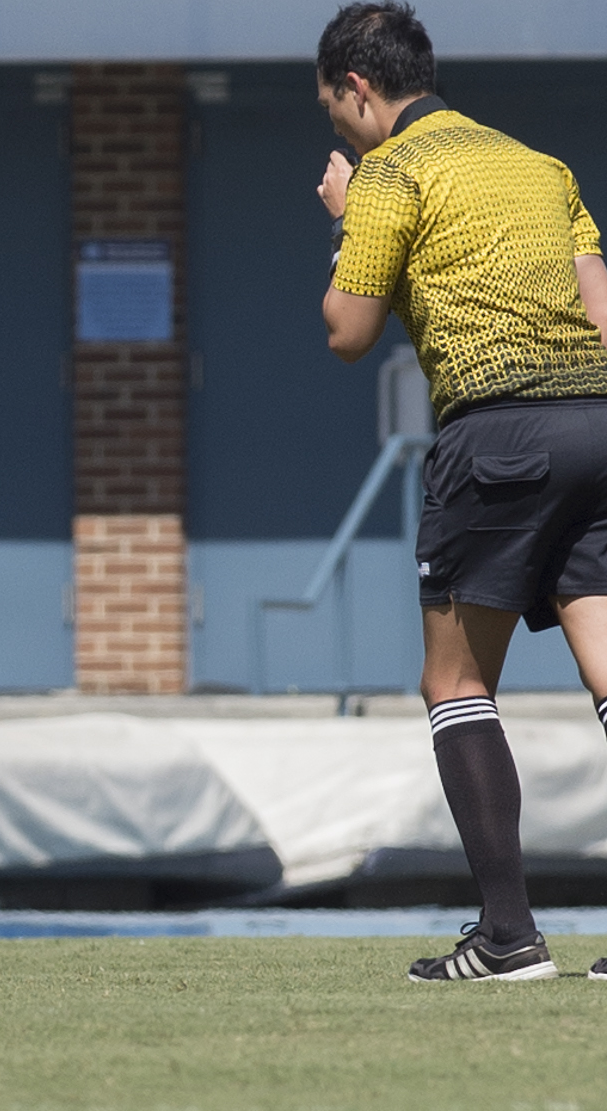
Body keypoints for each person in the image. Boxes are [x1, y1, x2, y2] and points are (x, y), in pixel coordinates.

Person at [312, 2, 607, 982]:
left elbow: (345, 335)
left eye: (333, 110)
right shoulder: (539, 166)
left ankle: (506, 935)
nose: (338, 131)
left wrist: (346, 223)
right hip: (597, 427)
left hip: (496, 434)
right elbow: (600, 312)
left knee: (452, 682)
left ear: (358, 89)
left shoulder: (390, 172)